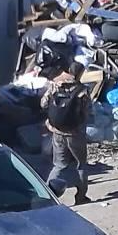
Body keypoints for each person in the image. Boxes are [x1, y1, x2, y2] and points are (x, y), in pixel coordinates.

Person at [42, 65, 91, 205]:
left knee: (59, 165)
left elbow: (43, 104)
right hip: (75, 133)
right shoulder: (82, 90)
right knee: (81, 164)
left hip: (57, 131)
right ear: (80, 73)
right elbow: (88, 112)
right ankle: (81, 197)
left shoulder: (55, 86)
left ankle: (47, 196)